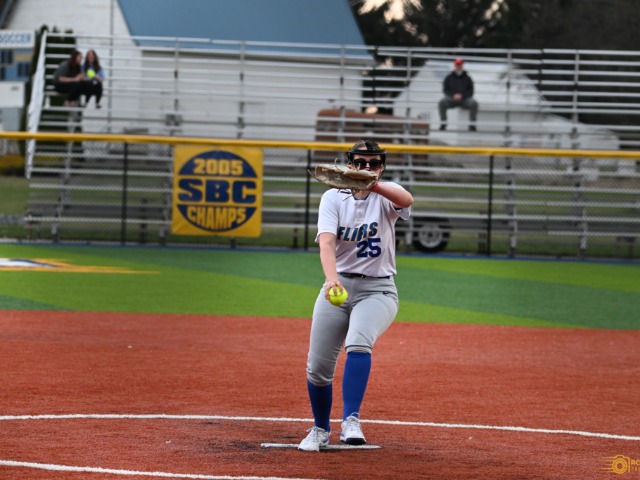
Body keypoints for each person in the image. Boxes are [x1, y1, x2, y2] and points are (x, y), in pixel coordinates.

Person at [298, 139, 414, 452]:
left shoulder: (387, 193)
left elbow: (407, 199)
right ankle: (320, 429)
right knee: (317, 368)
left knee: (358, 342)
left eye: (374, 163)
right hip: (338, 286)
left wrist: (372, 184)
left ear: (382, 167)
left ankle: (351, 419)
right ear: (349, 164)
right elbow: (326, 242)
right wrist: (331, 279)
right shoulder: (333, 197)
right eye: (360, 162)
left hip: (379, 289)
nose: (367, 167)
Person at [438, 58, 479, 131]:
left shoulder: (467, 78)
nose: (458, 66)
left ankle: (472, 125)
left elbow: (471, 90)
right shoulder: (449, 77)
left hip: (464, 100)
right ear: (455, 65)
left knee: (474, 103)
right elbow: (445, 89)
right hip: (452, 99)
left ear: (462, 66)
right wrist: (452, 96)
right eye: (457, 65)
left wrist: (462, 96)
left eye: (460, 65)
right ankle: (443, 123)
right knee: (442, 103)